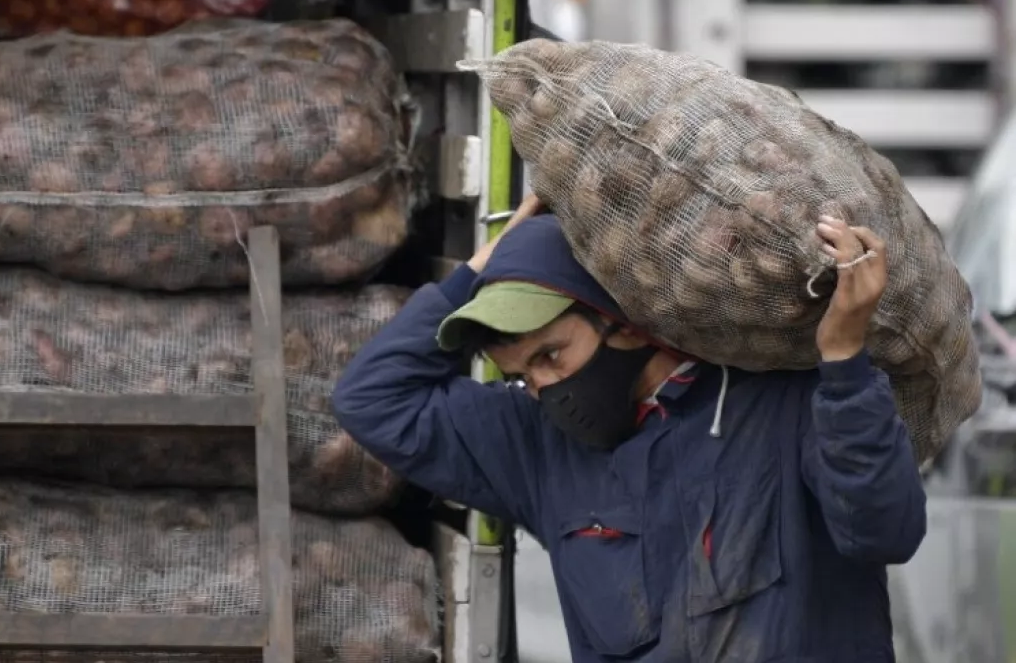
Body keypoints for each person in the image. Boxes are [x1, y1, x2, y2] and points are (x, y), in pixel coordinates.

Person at [332, 195, 926, 663]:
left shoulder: (785, 399)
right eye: (520, 373)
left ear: (626, 325)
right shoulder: (535, 445)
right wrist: (492, 262)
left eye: (551, 356)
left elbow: (885, 532)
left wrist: (845, 362)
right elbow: (372, 400)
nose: (541, 387)